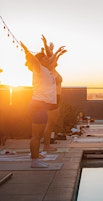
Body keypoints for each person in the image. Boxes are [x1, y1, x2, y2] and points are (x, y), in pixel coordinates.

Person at [21, 40, 63, 168]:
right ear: (40, 61)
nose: (47, 59)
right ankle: (34, 161)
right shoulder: (38, 69)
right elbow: (34, 60)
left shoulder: (46, 69)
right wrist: (26, 50)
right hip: (38, 105)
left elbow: (52, 60)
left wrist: (56, 53)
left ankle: (37, 155)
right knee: (36, 135)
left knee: (38, 135)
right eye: (44, 58)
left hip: (41, 105)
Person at [41, 35, 67, 152]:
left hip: (56, 97)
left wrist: (57, 53)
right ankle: (46, 146)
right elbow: (51, 57)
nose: (54, 61)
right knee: (50, 122)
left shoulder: (53, 69)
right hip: (53, 98)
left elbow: (52, 57)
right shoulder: (50, 69)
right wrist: (51, 49)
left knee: (52, 122)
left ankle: (47, 144)